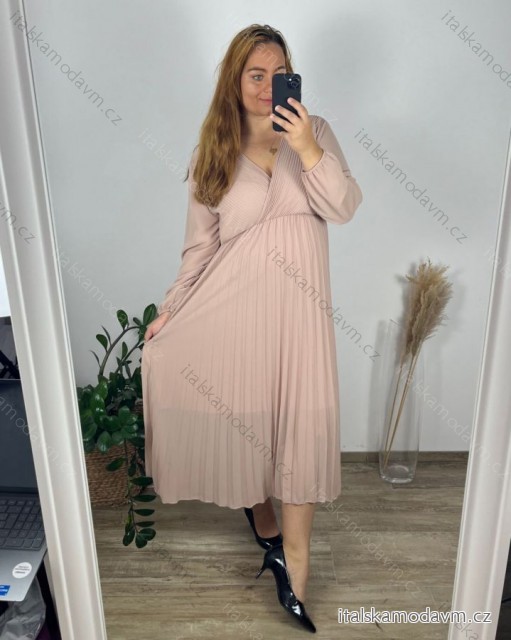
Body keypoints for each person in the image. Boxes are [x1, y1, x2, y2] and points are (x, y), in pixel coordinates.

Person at [141, 23, 363, 634]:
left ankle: (295, 562)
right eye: (256, 75)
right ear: (235, 82)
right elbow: (199, 250)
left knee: (301, 428)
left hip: (301, 318)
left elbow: (344, 207)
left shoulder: (315, 133)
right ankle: (260, 513)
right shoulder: (212, 152)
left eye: (279, 74)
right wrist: (170, 310)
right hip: (236, 311)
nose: (268, 87)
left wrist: (306, 148)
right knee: (246, 419)